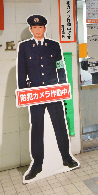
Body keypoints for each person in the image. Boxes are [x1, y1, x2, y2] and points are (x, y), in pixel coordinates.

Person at [16, 15, 78, 181]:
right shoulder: (24, 47)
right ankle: (37, 164)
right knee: (37, 127)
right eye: (34, 27)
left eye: (40, 27)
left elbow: (60, 67)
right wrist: (24, 93)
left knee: (60, 124)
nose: (37, 30)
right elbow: (21, 71)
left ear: (45, 28)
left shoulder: (54, 45)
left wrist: (62, 87)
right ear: (31, 29)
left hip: (53, 92)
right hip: (35, 94)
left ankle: (66, 157)